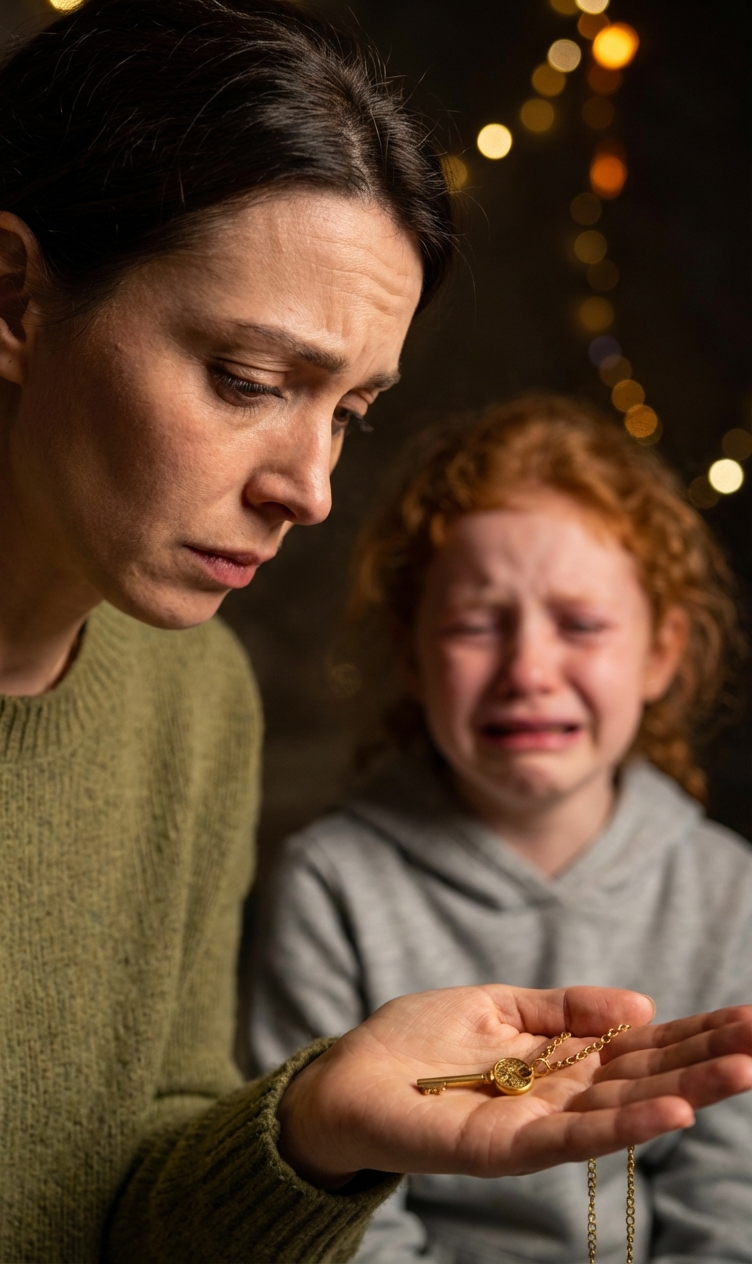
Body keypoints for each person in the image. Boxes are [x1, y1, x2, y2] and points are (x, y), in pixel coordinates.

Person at [0, 0, 750, 1257]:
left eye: (349, 409)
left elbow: (136, 1222)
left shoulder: (194, 694)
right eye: (249, 381)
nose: (308, 487)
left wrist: (310, 1128)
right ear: (14, 300)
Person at [249, 397, 752, 1263]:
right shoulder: (329, 883)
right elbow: (329, 1206)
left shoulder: (727, 887)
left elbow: (729, 1198)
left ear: (661, 654)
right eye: (477, 626)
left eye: (582, 625)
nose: (527, 670)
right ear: (412, 657)